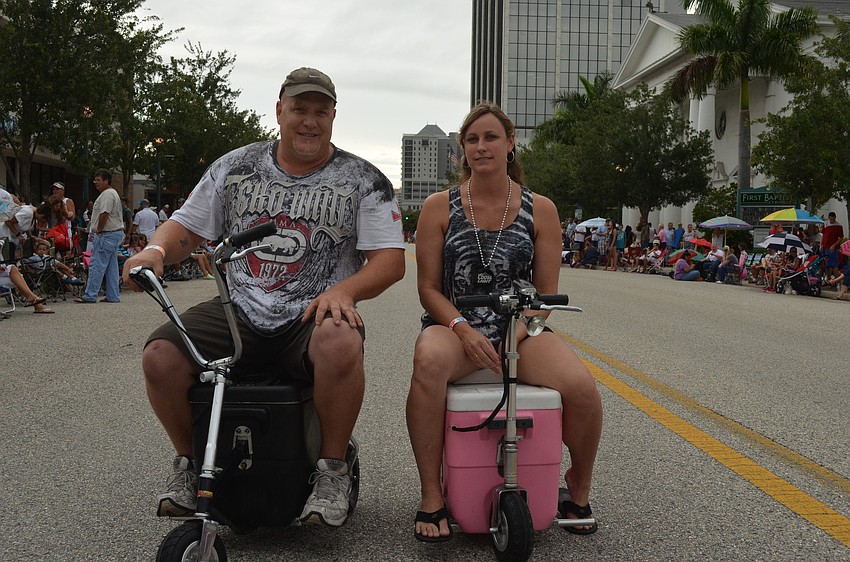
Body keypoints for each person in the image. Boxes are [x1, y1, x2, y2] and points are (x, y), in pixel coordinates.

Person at [122, 67, 405, 527]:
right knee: (160, 356)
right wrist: (154, 250)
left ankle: (332, 471)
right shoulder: (235, 166)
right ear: (279, 111)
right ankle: (189, 465)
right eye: (299, 110)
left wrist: (345, 291)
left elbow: (391, 260)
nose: (309, 121)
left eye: (320, 111)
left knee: (342, 340)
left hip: (311, 315)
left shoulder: (363, 178)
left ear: (334, 116)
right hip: (239, 311)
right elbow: (187, 229)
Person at [406, 103, 602, 542]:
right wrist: (462, 328)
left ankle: (578, 487)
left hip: (520, 330)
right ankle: (431, 494)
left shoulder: (542, 209)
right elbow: (429, 290)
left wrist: (511, 338)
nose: (481, 147)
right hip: (455, 327)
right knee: (428, 362)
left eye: (491, 137)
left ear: (510, 143)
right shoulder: (439, 208)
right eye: (472, 140)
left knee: (582, 388)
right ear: (462, 151)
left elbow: (544, 297)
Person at [75, 169, 124, 304]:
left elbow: (104, 213)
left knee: (97, 264)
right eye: (95, 179)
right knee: (111, 266)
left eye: (98, 180)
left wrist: (100, 230)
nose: (95, 182)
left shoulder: (107, 194)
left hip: (107, 233)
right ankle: (113, 295)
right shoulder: (112, 193)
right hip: (115, 232)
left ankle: (90, 294)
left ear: (106, 181)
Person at [821, 212, 844, 281]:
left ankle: (836, 281)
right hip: (825, 246)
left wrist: (834, 245)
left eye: (833, 219)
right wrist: (821, 245)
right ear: (829, 218)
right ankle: (828, 280)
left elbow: (840, 238)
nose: (831, 221)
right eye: (830, 219)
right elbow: (823, 235)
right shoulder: (826, 224)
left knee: (834, 265)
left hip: (833, 248)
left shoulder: (838, 226)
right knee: (826, 265)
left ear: (835, 218)